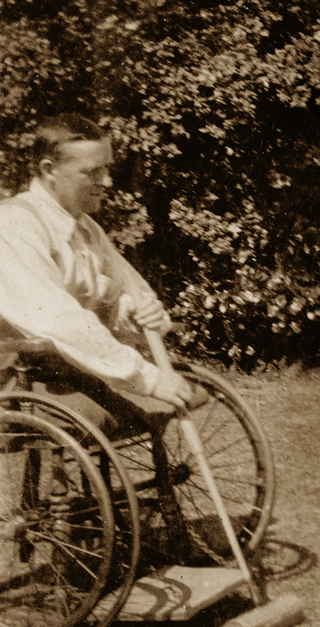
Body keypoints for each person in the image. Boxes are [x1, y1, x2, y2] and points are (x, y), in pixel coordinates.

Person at [0, 113, 195, 436]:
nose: (106, 181)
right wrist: (145, 377)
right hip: (15, 383)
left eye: (107, 168)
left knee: (174, 396)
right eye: (92, 171)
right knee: (147, 400)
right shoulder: (14, 226)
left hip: (63, 373)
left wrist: (136, 311)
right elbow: (58, 319)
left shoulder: (87, 229)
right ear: (50, 171)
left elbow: (128, 291)